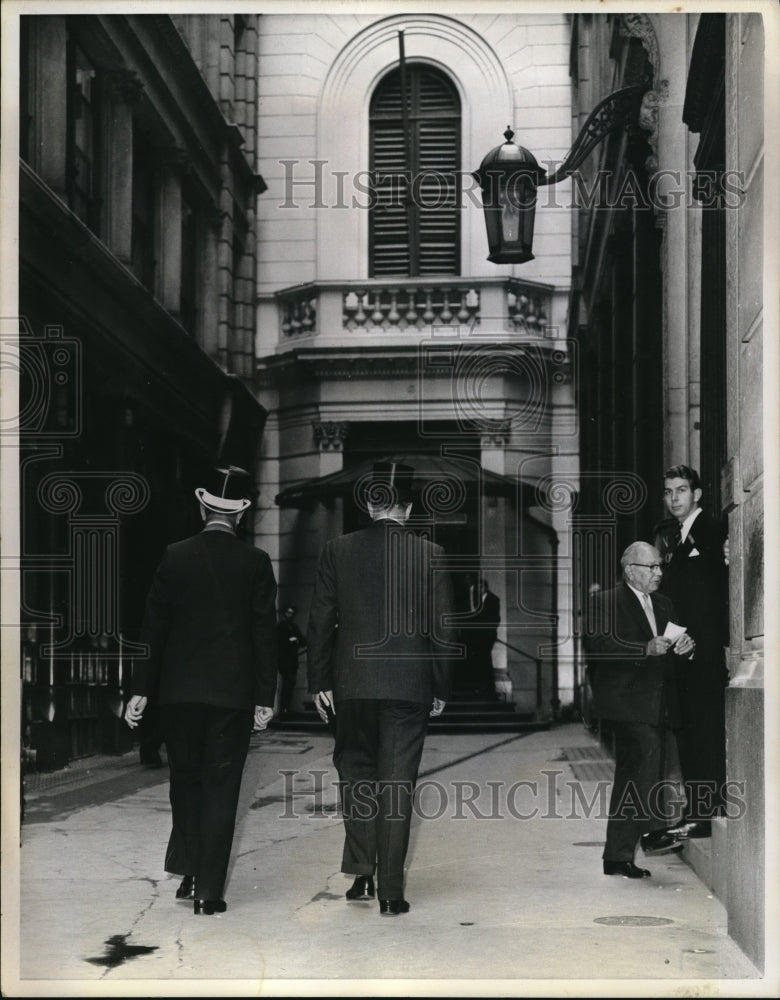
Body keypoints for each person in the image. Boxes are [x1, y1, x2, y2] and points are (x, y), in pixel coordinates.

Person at [124, 465, 278, 915]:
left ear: (202, 505)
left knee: (185, 783)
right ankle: (208, 892)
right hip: (231, 697)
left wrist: (141, 689)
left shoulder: (175, 555)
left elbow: (154, 627)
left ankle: (188, 871)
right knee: (221, 788)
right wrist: (264, 699)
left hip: (179, 695)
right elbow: (263, 636)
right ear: (242, 515)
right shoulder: (255, 563)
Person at [306, 461, 457, 915]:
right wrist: (440, 686)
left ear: (369, 505)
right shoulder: (431, 554)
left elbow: (320, 621)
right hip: (407, 687)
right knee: (397, 785)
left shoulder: (338, 550)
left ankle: (361, 877)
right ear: (408, 509)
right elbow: (443, 631)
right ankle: (391, 892)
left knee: (356, 778)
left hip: (351, 686)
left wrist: (319, 682)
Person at [584, 541, 696, 878]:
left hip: (658, 702)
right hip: (624, 701)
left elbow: (673, 648)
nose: (659, 573)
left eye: (660, 566)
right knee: (648, 752)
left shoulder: (664, 604)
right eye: (652, 567)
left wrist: (686, 648)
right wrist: (644, 648)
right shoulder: (604, 601)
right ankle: (652, 830)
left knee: (630, 777)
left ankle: (616, 856)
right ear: (630, 569)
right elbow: (599, 644)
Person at [653, 464, 729, 839]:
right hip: (680, 651)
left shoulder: (712, 531)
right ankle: (695, 811)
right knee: (687, 732)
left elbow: (716, 596)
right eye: (668, 492)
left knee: (703, 731)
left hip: (703, 651)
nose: (674, 498)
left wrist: (696, 637)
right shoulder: (675, 538)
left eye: (681, 490)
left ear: (697, 494)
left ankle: (706, 811)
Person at [471, 578, 500, 696]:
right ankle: (486, 687)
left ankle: (488, 688)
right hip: (480, 635)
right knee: (483, 661)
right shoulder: (478, 600)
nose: (480, 589)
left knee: (485, 660)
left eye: (482, 587)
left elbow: (495, 619)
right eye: (478, 587)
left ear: (486, 587)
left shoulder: (493, 599)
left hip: (487, 635)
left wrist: (488, 631)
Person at [276, 605, 307, 715]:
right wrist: (290, 641)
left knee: (290, 683)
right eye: (288, 612)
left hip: (292, 660)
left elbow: (303, 641)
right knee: (287, 683)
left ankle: (286, 708)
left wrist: (296, 640)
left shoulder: (293, 626)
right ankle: (283, 709)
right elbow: (279, 643)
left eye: (291, 613)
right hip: (284, 660)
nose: (289, 615)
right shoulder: (281, 627)